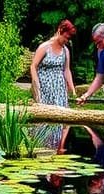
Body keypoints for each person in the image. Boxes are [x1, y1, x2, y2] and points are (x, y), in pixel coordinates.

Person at [30, 19, 77, 151]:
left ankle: (59, 147)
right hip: (45, 87)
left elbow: (66, 70)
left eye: (68, 39)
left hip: (59, 89)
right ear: (60, 31)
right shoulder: (45, 47)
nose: (66, 41)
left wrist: (72, 89)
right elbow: (33, 66)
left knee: (63, 118)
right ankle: (41, 147)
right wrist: (36, 85)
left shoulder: (65, 51)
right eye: (65, 38)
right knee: (45, 118)